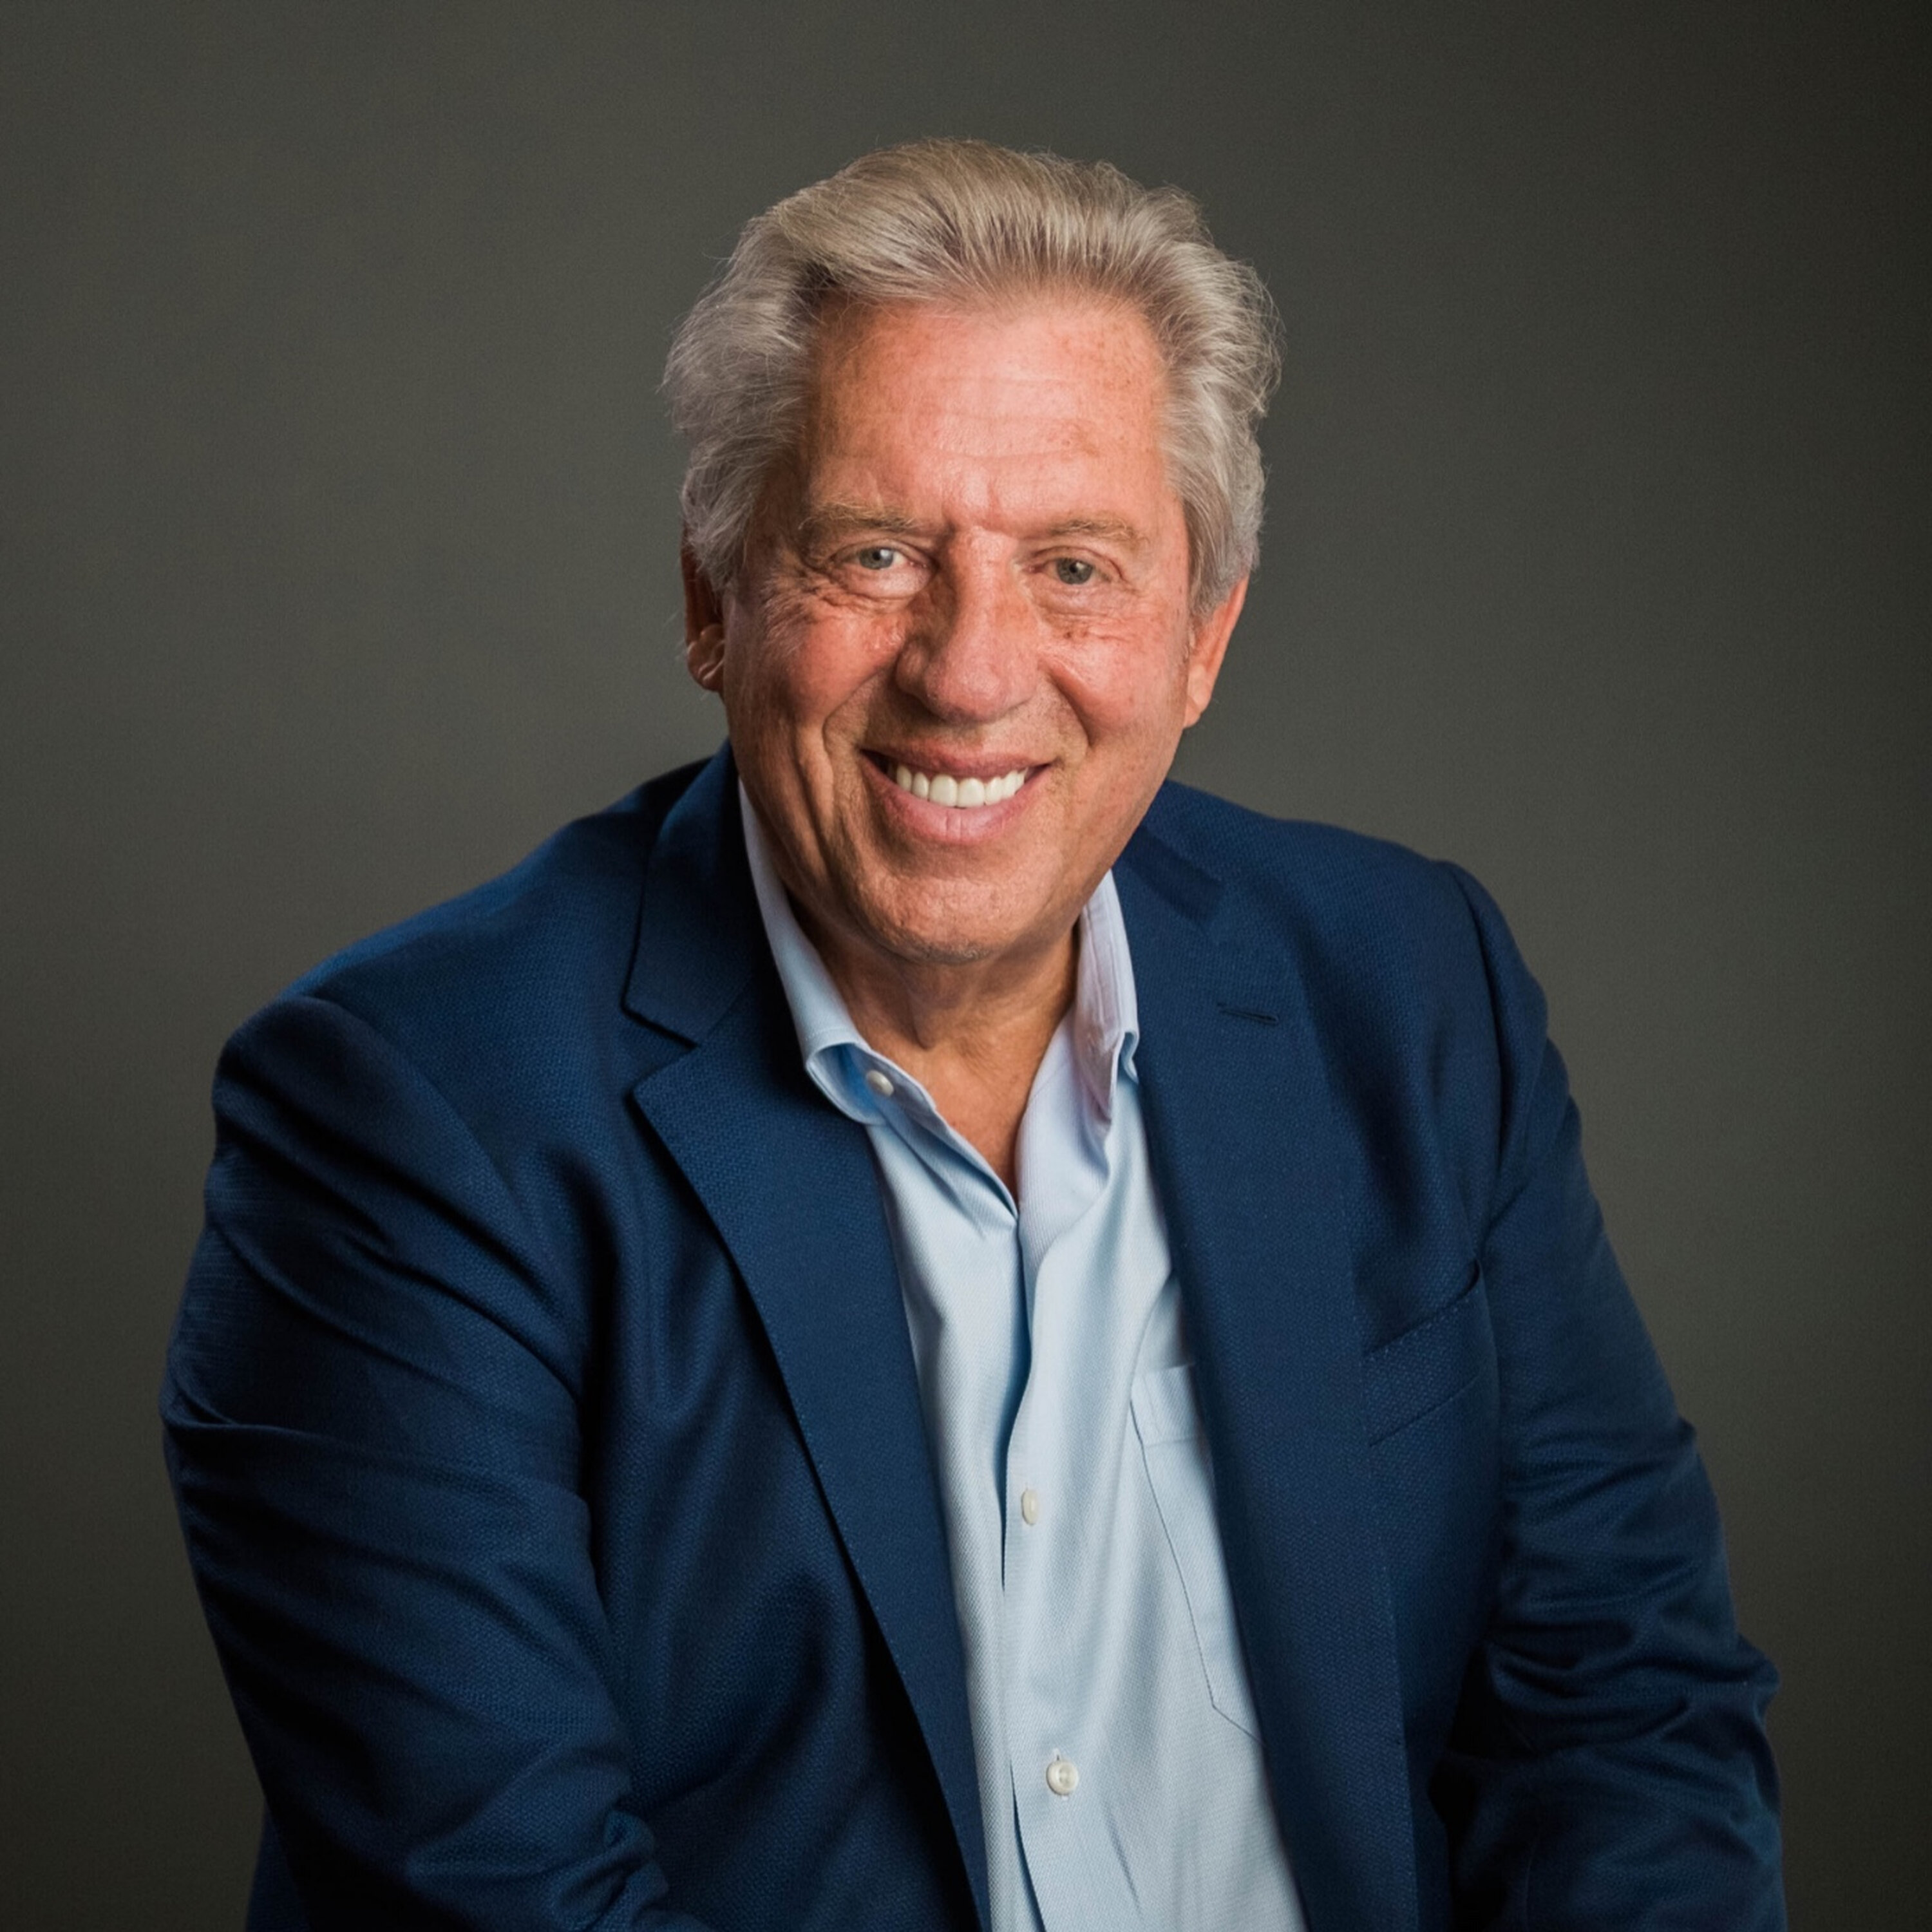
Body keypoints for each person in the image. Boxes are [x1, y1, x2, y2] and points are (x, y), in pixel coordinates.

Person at [164, 140, 1784, 1932]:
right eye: (875, 555)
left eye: (1076, 567)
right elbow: (495, 1893)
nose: (971, 671)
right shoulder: (410, 1119)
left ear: (1204, 637)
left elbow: (1622, 1710)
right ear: (711, 601)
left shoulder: (1407, 988)